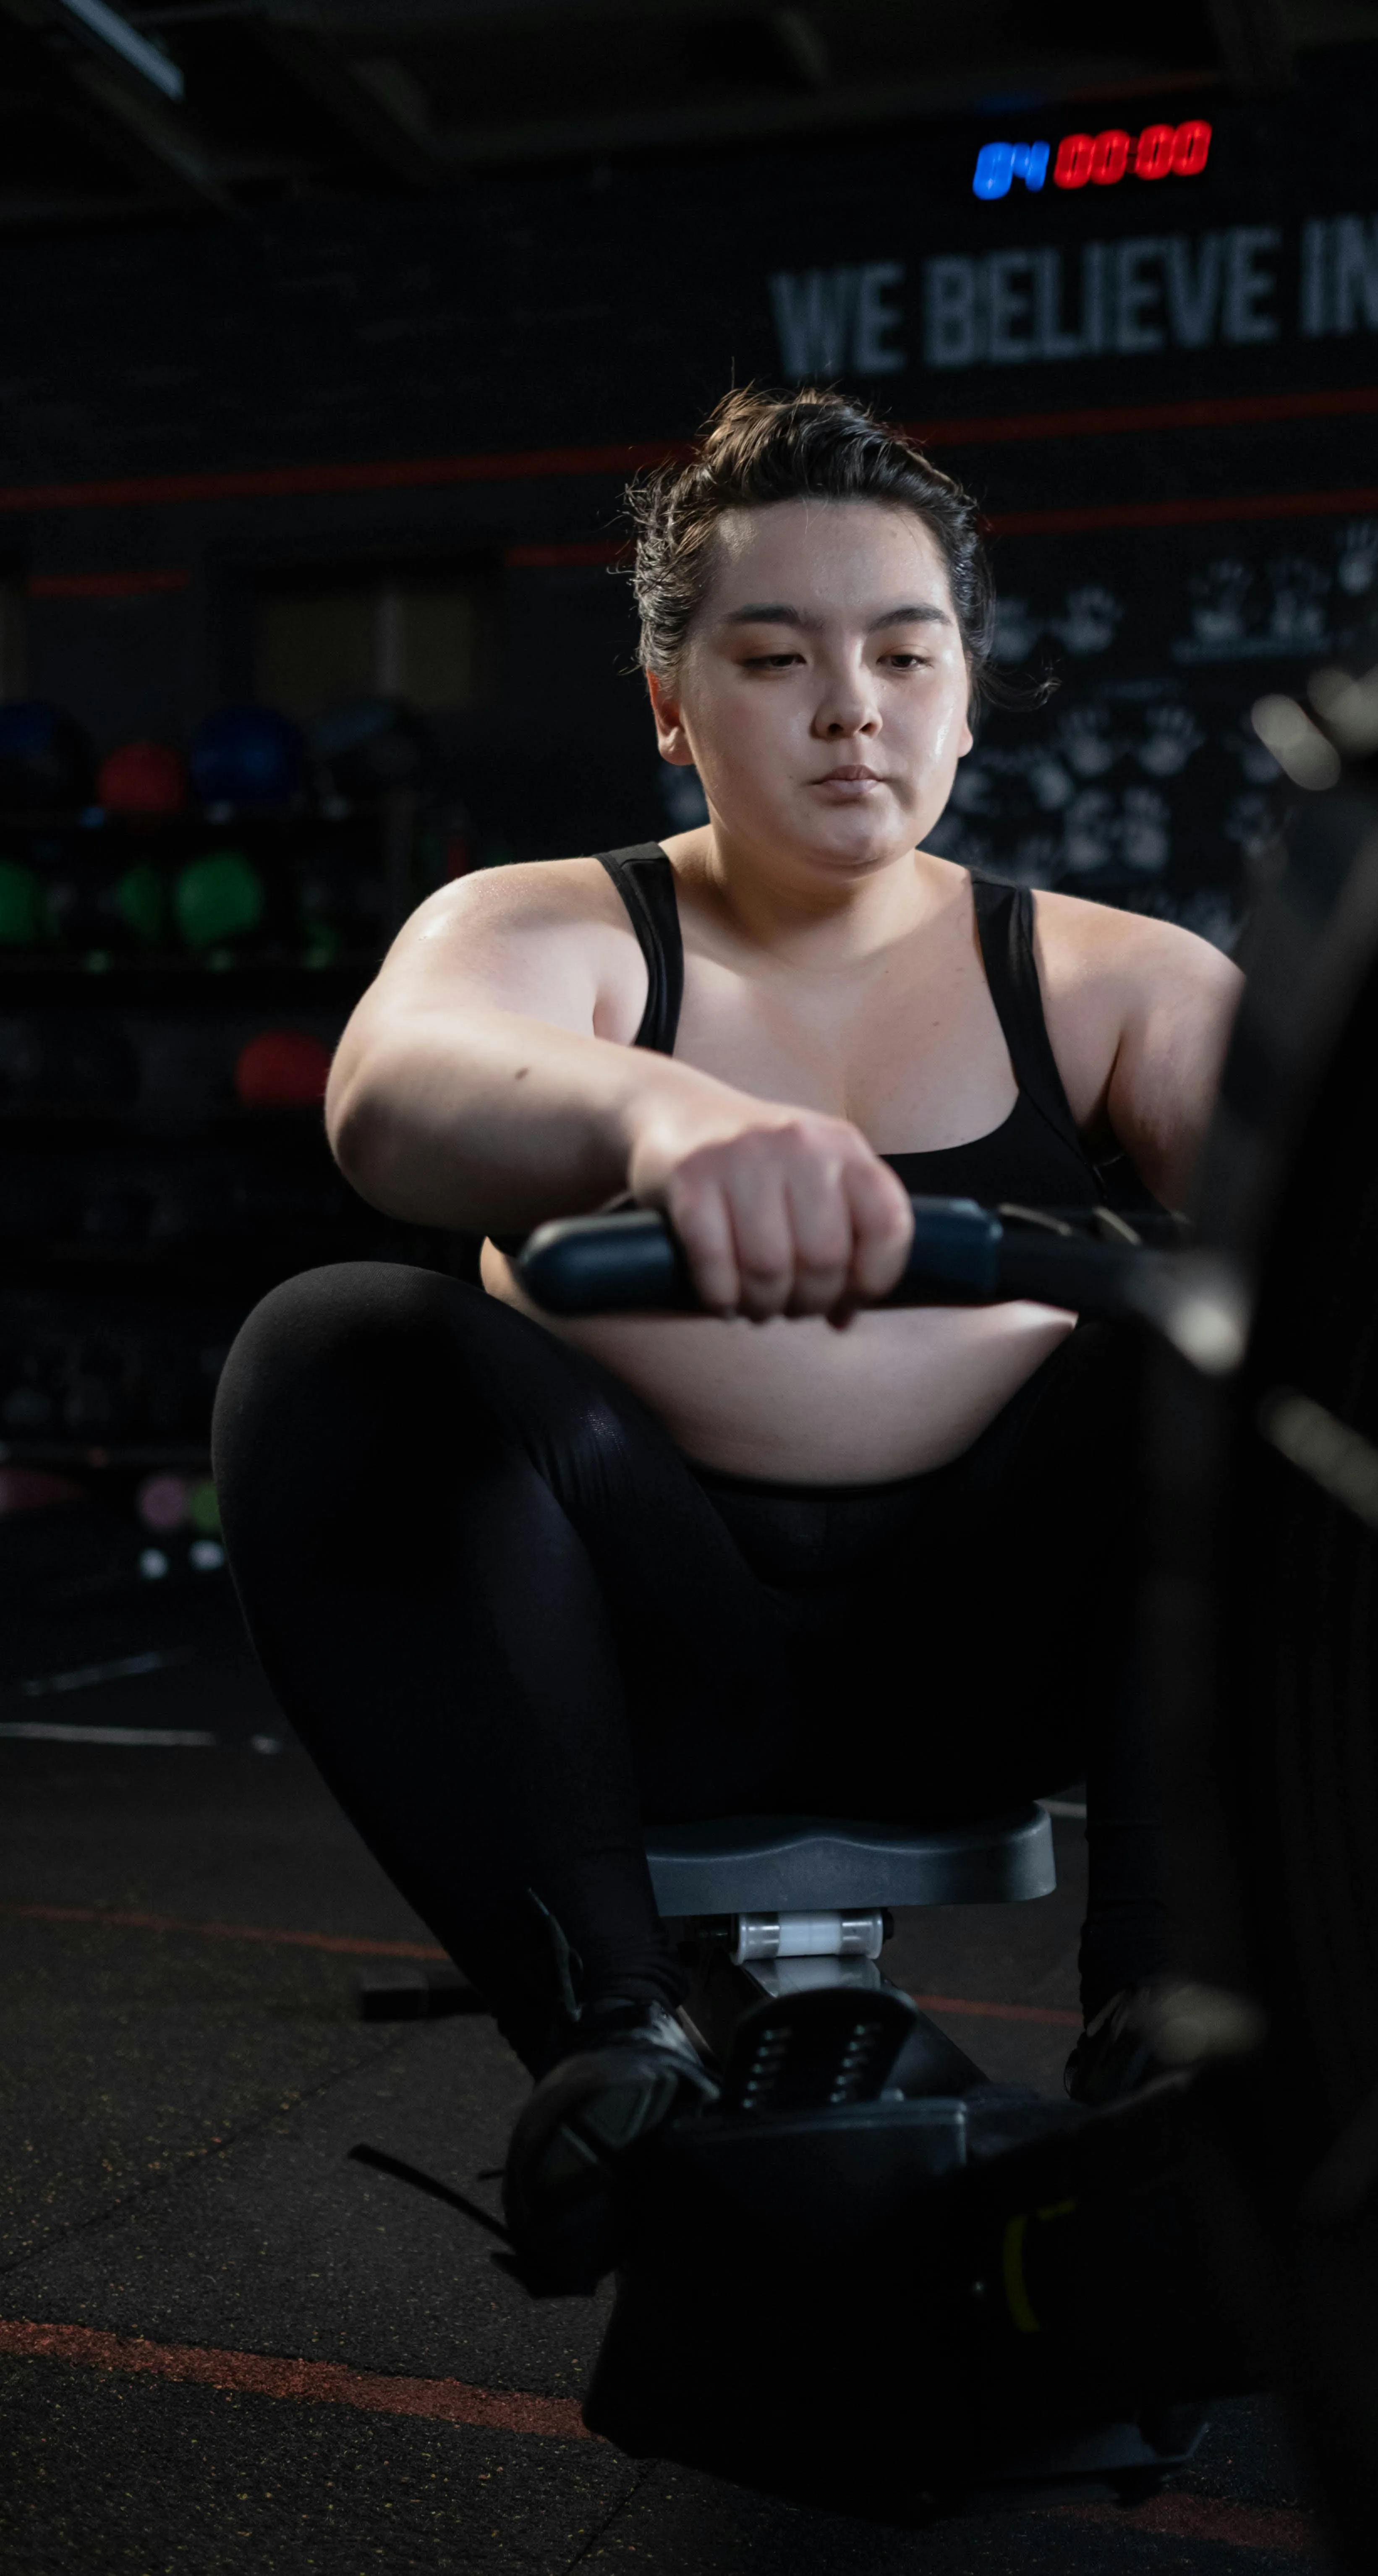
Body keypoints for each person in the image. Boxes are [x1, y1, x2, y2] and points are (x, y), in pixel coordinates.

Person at [213, 386, 1241, 2250]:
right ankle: (617, 2043)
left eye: (904, 653)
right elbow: (393, 1090)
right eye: (776, 656)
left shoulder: (1115, 975)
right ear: (675, 703)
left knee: (1254, 1349)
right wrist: (665, 1119)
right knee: (337, 1341)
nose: (854, 704)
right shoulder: (551, 928)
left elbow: (1340, 1166)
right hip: (628, 1656)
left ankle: (1178, 2039)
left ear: (962, 686)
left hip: (991, 1654)